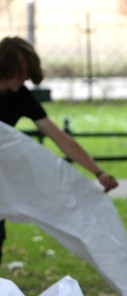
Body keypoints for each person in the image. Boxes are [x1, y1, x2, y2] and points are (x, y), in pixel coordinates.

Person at [0, 36, 118, 264]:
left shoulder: (20, 96)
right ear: (7, 66)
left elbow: (60, 138)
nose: (25, 77)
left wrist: (98, 172)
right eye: (22, 71)